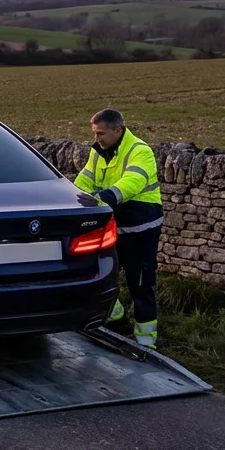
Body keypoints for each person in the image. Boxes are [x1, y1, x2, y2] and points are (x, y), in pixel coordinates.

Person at [73, 109, 165, 348]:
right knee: (101, 273)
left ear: (118, 130)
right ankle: (116, 319)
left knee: (140, 282)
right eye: (95, 133)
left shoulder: (140, 150)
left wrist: (102, 198)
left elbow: (133, 181)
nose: (96, 138)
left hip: (141, 227)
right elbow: (85, 179)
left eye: (101, 133)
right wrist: (71, 198)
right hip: (115, 224)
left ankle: (146, 342)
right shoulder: (98, 152)